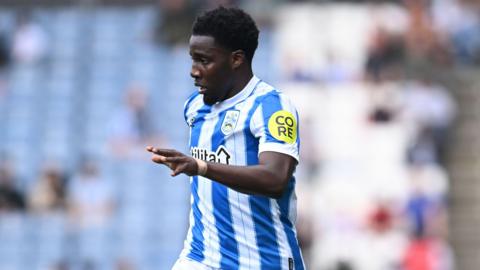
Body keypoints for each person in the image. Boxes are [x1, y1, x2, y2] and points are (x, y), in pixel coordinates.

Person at [146, 6, 305, 270]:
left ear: (236, 59)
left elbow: (276, 179)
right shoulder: (195, 108)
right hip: (202, 257)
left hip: (264, 261)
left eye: (204, 60)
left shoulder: (272, 107)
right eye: (192, 59)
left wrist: (201, 167)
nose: (194, 71)